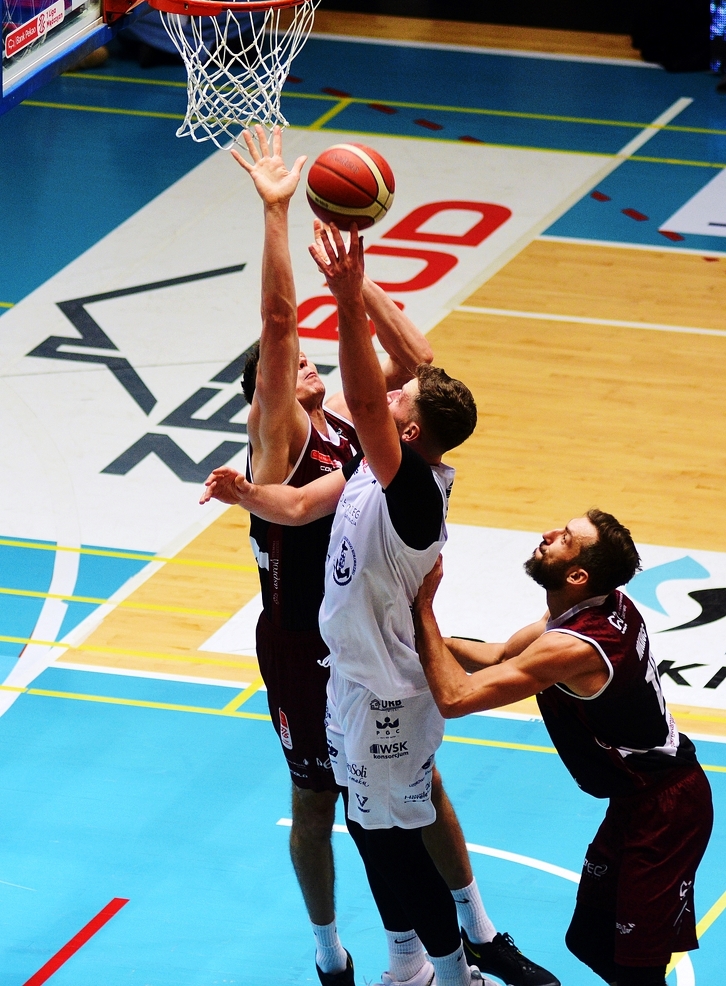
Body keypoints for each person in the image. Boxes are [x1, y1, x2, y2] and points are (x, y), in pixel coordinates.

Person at [201, 222, 560, 986]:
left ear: (410, 426)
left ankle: (451, 954)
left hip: (370, 658)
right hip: (311, 651)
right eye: (293, 363)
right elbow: (299, 498)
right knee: (336, 809)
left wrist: (348, 285)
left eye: (310, 358)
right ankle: (347, 954)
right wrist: (249, 494)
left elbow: (404, 372)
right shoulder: (293, 435)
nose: (307, 362)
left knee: (387, 822)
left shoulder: (377, 449)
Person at [412, 510, 714, 986]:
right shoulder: (594, 605)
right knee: (589, 940)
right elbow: (499, 656)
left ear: (577, 576)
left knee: (638, 969)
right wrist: (421, 639)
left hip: (668, 811)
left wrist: (421, 608)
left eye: (564, 538)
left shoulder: (576, 648)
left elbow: (456, 697)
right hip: (636, 800)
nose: (548, 534)